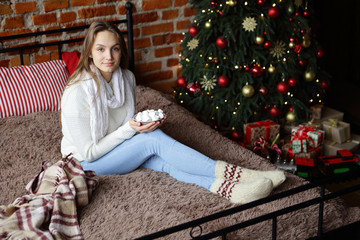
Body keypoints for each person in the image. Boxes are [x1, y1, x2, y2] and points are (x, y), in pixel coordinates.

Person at [60, 21, 286, 204]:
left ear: (121, 51)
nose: (108, 56)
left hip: (117, 148)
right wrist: (130, 130)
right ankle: (241, 174)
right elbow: (89, 152)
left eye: (115, 48)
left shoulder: (126, 78)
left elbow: (125, 125)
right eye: (100, 49)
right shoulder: (77, 92)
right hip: (86, 163)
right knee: (152, 142)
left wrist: (139, 127)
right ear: (89, 52)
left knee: (164, 161)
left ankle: (231, 190)